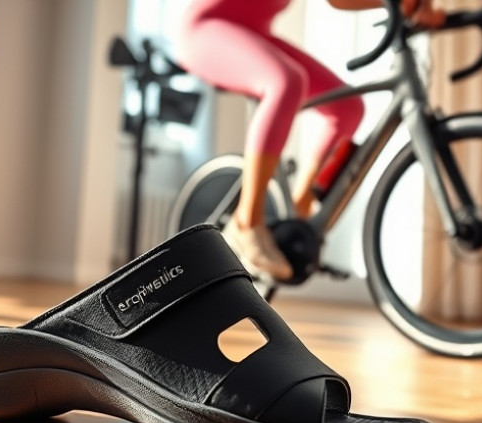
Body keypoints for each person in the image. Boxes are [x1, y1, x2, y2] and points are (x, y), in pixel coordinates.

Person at [177, 0, 444, 280]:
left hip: (253, 34)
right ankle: (246, 222)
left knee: (348, 108)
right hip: (205, 32)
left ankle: (300, 210)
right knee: (286, 81)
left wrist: (409, 8)